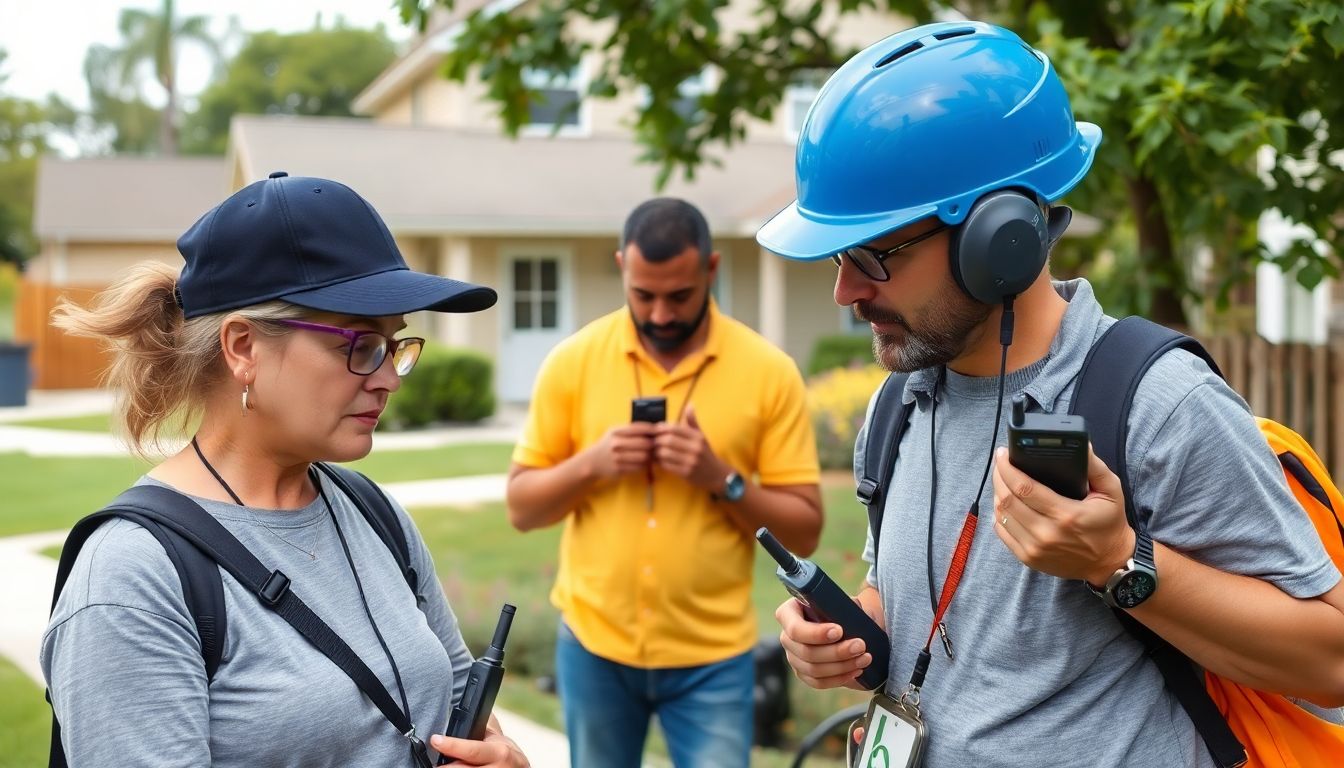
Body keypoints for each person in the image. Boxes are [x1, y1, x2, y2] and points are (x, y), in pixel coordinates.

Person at [759, 21, 1344, 768]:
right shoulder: (899, 404)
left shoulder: (1158, 402)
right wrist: (844, 636)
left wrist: (1118, 561)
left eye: (873, 257)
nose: (846, 291)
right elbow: (923, 616)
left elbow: (1329, 659)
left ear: (999, 239)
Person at [41, 172, 530, 768]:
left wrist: (499, 757)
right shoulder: (132, 579)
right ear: (243, 346)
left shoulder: (373, 514)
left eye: (394, 345)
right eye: (358, 344)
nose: (388, 377)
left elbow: (455, 701)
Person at [506, 197, 823, 767]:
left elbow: (804, 533)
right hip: (593, 648)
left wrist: (719, 478)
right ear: (621, 265)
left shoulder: (768, 371)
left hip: (713, 659)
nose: (658, 315)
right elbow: (521, 509)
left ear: (712, 269)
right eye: (642, 295)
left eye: (678, 296)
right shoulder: (571, 362)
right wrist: (591, 465)